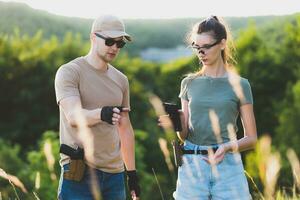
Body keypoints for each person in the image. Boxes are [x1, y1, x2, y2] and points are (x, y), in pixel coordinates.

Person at [161, 16, 257, 199]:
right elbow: (185, 135)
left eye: (206, 47)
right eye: (197, 47)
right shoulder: (188, 83)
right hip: (192, 166)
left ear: (222, 44)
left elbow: (252, 138)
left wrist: (227, 147)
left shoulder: (241, 85)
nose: (200, 52)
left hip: (229, 168)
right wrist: (179, 123)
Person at [55, 15, 140, 200]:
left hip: (115, 176)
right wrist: (102, 113)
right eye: (109, 41)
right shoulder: (70, 72)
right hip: (80, 172)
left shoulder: (121, 80)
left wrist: (131, 173)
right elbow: (73, 116)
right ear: (93, 37)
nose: (115, 48)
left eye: (120, 44)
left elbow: (125, 129)